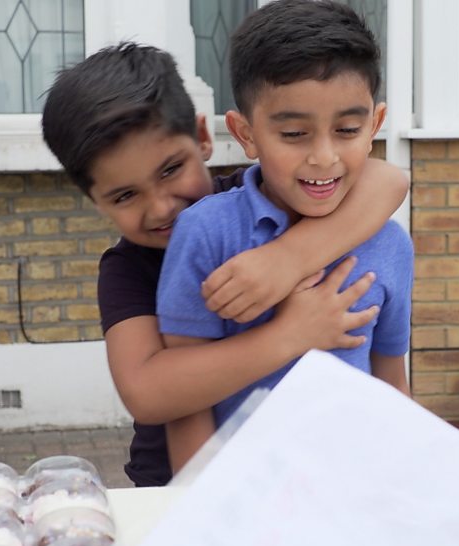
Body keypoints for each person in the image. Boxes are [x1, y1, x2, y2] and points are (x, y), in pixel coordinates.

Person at [41, 42, 408, 487]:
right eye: (124, 195)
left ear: (203, 137)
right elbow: (148, 391)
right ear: (94, 200)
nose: (161, 208)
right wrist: (291, 334)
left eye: (171, 170)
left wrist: (285, 259)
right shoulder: (126, 269)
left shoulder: (252, 201)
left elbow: (389, 180)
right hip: (178, 484)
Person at [157, 0, 414, 472]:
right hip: (244, 504)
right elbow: (185, 403)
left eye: (347, 130)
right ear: (246, 133)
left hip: (352, 494)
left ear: (375, 126)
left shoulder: (391, 244)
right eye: (294, 133)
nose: (323, 157)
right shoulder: (207, 233)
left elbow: (391, 381)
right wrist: (199, 507)